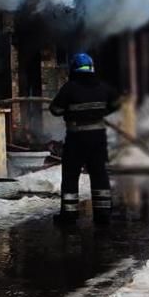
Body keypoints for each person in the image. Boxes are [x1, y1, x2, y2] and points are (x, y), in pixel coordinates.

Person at [49, 53, 121, 225]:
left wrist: (69, 110)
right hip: (98, 137)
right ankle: (103, 213)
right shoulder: (103, 87)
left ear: (73, 68)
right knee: (99, 174)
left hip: (76, 138)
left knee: (71, 175)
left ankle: (69, 215)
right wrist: (102, 112)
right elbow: (117, 103)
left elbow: (55, 110)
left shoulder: (69, 88)